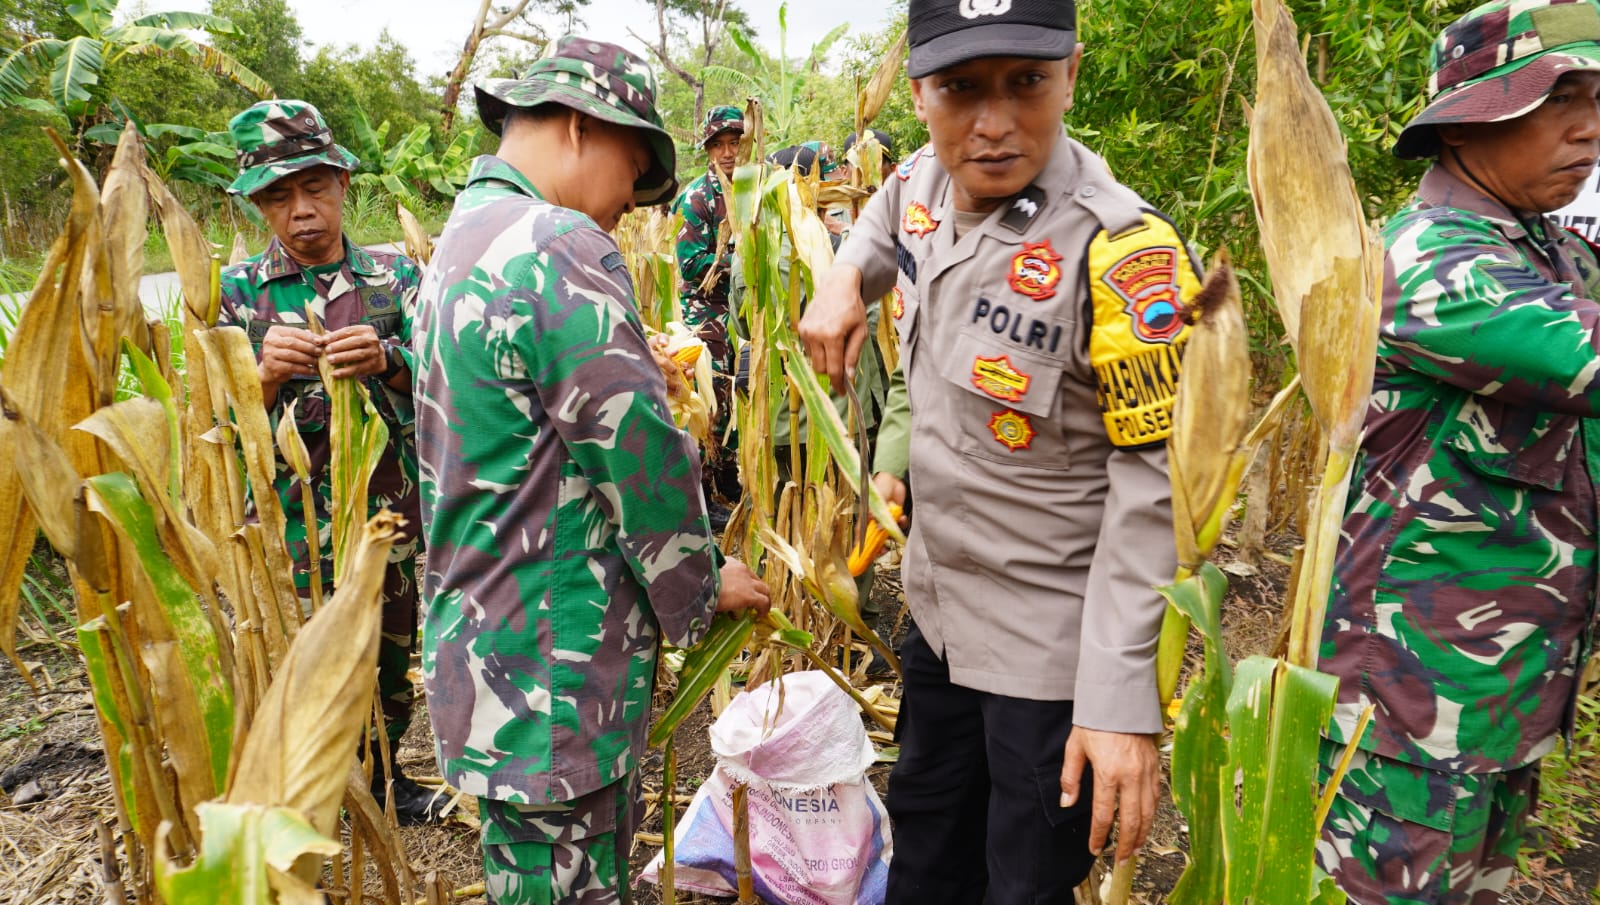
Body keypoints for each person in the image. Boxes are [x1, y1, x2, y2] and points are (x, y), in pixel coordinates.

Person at [798, 0, 1201, 900]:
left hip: (1047, 659)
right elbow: (881, 221)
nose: (992, 123)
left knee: (1021, 882)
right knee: (927, 855)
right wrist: (842, 281)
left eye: (1026, 83)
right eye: (960, 90)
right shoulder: (924, 182)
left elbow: (1157, 492)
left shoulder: (1125, 255)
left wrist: (1117, 704)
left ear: (1072, 72)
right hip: (938, 621)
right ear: (918, 92)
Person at [410, 37, 770, 905]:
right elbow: (635, 448)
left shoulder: (464, 239)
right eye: (631, 170)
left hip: (495, 656)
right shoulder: (555, 240)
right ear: (579, 126)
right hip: (553, 672)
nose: (623, 209)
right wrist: (703, 580)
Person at [1316, 2, 1600, 902]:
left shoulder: (1553, 252)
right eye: (1559, 100)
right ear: (1473, 115)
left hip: (1504, 704)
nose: (1589, 127)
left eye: (1597, 97)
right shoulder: (1432, 263)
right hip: (1407, 725)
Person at [218, 99, 442, 824]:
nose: (302, 211)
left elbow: (448, 382)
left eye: (315, 187)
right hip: (289, 527)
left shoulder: (396, 280)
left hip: (388, 516)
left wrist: (391, 358)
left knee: (389, 646)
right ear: (257, 205)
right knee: (301, 658)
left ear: (344, 182)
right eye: (279, 196)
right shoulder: (234, 295)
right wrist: (261, 376)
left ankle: (383, 775)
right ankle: (310, 785)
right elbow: (206, 420)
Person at [672, 104, 747, 524]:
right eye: (718, 145)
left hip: (746, 316)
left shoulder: (757, 192)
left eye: (734, 143)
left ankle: (729, 478)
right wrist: (741, 262)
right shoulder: (699, 197)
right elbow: (690, 265)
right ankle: (701, 495)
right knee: (710, 400)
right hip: (709, 314)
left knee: (743, 396)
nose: (727, 153)